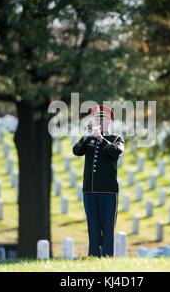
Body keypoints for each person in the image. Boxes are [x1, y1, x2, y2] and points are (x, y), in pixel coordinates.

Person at [72, 105, 125, 257]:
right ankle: (94, 257)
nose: (99, 122)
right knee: (93, 228)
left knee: (108, 229)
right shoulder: (87, 139)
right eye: (97, 119)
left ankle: (107, 258)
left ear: (109, 122)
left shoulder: (115, 139)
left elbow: (116, 152)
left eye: (103, 119)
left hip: (108, 191)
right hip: (89, 191)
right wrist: (85, 136)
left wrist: (100, 138)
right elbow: (76, 151)